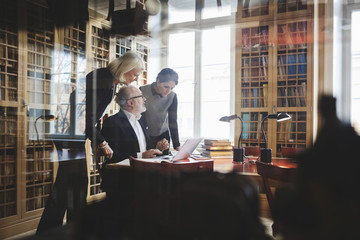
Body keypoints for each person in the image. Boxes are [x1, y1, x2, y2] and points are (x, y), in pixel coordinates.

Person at [36, 51, 144, 235]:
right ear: (126, 68)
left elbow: (91, 119)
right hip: (68, 136)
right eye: (135, 74)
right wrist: (101, 142)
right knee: (73, 186)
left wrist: (97, 139)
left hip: (74, 136)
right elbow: (84, 116)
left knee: (70, 187)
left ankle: (60, 231)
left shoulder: (111, 83)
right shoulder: (101, 78)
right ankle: (63, 231)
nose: (135, 79)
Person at [101, 85, 169, 164]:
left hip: (144, 168)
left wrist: (157, 148)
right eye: (141, 96)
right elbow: (112, 155)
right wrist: (141, 156)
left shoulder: (142, 121)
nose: (145, 99)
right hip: (123, 171)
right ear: (131, 102)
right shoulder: (112, 122)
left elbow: (143, 148)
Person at [139, 68, 180, 155]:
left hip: (163, 136)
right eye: (166, 87)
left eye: (172, 88)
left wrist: (177, 145)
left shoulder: (173, 96)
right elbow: (137, 117)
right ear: (158, 81)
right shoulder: (142, 91)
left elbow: (173, 121)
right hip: (145, 135)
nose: (168, 91)